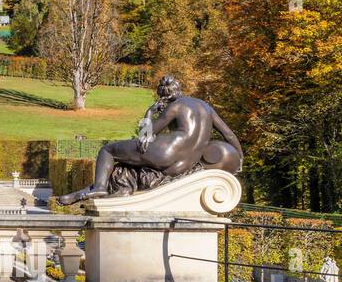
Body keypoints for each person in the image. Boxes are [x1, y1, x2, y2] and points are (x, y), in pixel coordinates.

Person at [57, 75, 243, 205]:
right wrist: (240, 159)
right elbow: (229, 135)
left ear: (163, 95)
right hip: (183, 165)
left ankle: (99, 187)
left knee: (107, 150)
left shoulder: (176, 107)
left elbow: (146, 135)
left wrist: (150, 111)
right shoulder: (206, 107)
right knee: (127, 165)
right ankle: (90, 191)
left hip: (165, 152)